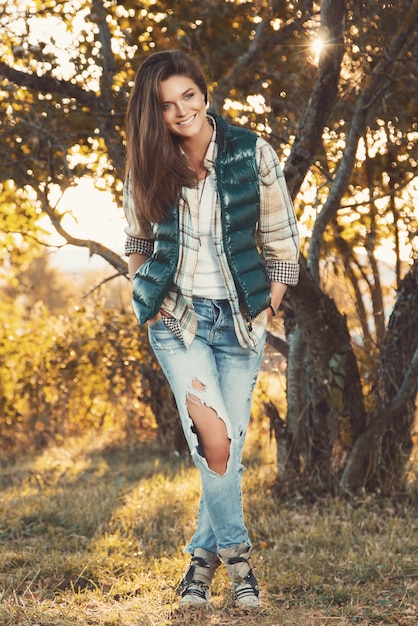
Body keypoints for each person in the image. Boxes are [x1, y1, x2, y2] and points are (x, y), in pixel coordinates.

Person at [123, 49, 299, 609]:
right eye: (167, 105)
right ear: (154, 113)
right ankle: (241, 565)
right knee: (216, 442)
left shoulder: (253, 152)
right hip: (179, 321)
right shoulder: (148, 158)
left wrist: (263, 308)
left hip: (240, 323)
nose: (181, 112)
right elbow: (136, 241)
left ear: (205, 93)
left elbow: (282, 247)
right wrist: (145, 296)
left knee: (220, 451)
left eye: (189, 97)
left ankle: (200, 565)